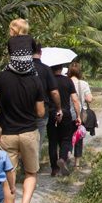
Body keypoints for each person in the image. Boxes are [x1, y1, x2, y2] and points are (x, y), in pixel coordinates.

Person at [0, 48, 45, 203]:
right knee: (31, 172)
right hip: (28, 132)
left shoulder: (2, 78)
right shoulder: (35, 79)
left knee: (7, 178)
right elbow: (41, 112)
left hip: (6, 135)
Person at [31, 43, 62, 175]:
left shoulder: (22, 68)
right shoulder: (46, 70)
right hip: (42, 110)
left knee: (22, 137)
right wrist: (59, 108)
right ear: (40, 53)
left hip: (22, 110)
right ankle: (32, 170)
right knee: (37, 140)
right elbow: (54, 92)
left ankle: (21, 167)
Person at [50, 64, 81, 175]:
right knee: (66, 139)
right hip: (66, 113)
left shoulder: (48, 80)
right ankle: (62, 159)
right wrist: (78, 116)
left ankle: (54, 169)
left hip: (52, 113)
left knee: (52, 141)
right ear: (62, 68)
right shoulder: (68, 81)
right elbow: (75, 100)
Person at [67, 63, 93, 165]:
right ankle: (77, 164)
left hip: (67, 114)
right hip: (80, 115)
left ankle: (67, 154)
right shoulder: (83, 84)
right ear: (79, 72)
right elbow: (89, 99)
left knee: (67, 137)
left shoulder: (65, 81)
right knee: (78, 137)